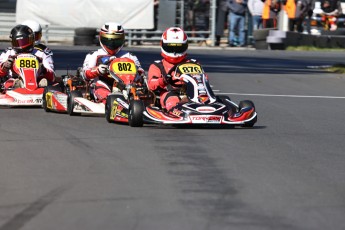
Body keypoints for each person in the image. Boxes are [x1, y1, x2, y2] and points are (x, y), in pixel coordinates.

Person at [82, 22, 144, 104]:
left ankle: (131, 102)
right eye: (108, 40)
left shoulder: (129, 56)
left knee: (139, 90)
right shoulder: (94, 55)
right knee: (100, 86)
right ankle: (111, 101)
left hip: (125, 86)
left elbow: (141, 75)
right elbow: (85, 75)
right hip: (103, 84)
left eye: (116, 41)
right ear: (101, 38)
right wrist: (97, 70)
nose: (112, 44)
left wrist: (138, 73)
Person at [148, 27, 199, 111]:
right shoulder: (157, 65)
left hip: (192, 93)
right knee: (172, 99)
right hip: (169, 93)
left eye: (178, 48)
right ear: (163, 45)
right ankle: (176, 111)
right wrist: (163, 80)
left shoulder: (193, 63)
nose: (174, 52)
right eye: (170, 48)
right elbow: (151, 84)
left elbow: (204, 80)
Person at [0, 25, 55, 91]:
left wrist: (43, 69)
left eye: (23, 42)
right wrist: (4, 67)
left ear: (30, 40)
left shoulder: (41, 53)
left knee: (44, 82)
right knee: (9, 82)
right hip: (12, 82)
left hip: (37, 82)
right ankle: (18, 85)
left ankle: (37, 89)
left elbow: (52, 77)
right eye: (17, 43)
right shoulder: (8, 53)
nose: (20, 46)